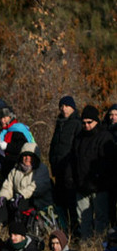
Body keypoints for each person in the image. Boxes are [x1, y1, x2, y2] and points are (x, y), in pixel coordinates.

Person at [71, 104, 115, 240]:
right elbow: (73, 160)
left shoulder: (105, 137)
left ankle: (101, 246)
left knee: (101, 219)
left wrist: (98, 180)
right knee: (83, 220)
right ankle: (86, 246)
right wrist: (74, 180)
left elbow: (108, 163)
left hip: (99, 187)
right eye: (83, 123)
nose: (86, 125)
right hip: (81, 187)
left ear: (96, 121)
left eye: (89, 122)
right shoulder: (79, 138)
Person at [0, 142, 53, 226]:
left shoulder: (41, 169)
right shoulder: (16, 170)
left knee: (22, 203)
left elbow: (37, 186)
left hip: (38, 202)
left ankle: (21, 229)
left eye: (30, 156)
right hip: (18, 200)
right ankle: (1, 226)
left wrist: (22, 195)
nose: (27, 159)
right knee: (1, 203)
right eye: (25, 156)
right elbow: (8, 185)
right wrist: (3, 196)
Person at [48, 96, 81, 234]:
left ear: (73, 107)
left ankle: (75, 233)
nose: (64, 108)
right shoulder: (59, 123)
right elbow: (54, 145)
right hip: (58, 170)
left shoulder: (77, 124)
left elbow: (77, 148)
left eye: (67, 106)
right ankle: (63, 232)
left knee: (72, 205)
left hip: (70, 173)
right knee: (60, 205)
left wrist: (72, 168)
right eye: (61, 106)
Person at [0, 106, 35, 174]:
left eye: (5, 117)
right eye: (0, 118)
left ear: (10, 117)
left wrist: (7, 146)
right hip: (7, 166)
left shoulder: (17, 129)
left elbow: (22, 147)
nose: (2, 120)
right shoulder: (3, 132)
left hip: (19, 166)